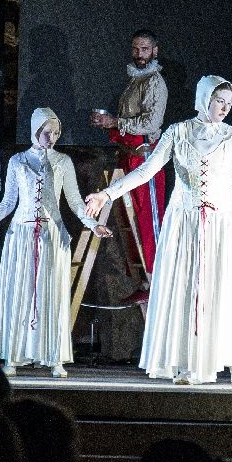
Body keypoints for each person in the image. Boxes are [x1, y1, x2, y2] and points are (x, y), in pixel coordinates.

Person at [87, 76, 232, 386]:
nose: (224, 108)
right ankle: (192, 363)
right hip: (185, 222)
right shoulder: (179, 131)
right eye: (218, 101)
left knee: (223, 290)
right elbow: (146, 170)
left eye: (229, 103)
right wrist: (107, 193)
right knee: (190, 290)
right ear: (204, 99)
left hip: (222, 224)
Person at [0, 108, 111, 376]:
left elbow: (75, 202)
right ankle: (13, 355)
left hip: (51, 234)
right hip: (21, 234)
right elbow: (8, 202)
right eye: (47, 132)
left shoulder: (63, 161)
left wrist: (94, 224)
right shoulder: (18, 161)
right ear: (35, 131)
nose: (52, 137)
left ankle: (53, 357)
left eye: (56, 133)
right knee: (19, 292)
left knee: (51, 294)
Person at [90, 30, 169, 294]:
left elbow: (151, 123)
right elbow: (128, 122)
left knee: (147, 218)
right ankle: (142, 280)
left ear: (154, 51)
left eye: (145, 49)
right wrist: (109, 123)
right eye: (136, 49)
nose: (139, 54)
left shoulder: (155, 82)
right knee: (130, 218)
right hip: (128, 155)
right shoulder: (133, 82)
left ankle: (155, 279)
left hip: (145, 158)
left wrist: (116, 122)